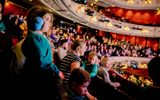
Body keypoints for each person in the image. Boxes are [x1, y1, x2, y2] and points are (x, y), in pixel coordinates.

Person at [21, 6, 64, 99]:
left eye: (50, 20)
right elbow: (42, 61)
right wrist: (57, 71)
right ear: (37, 20)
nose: (50, 23)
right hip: (37, 79)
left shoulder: (36, 37)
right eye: (47, 19)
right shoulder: (36, 38)